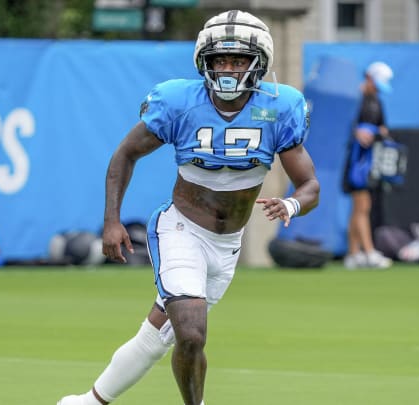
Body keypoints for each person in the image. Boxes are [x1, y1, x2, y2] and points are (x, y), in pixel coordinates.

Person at [57, 9, 320, 405]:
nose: (228, 68)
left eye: (237, 60)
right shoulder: (179, 101)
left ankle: (87, 402)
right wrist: (111, 221)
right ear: (204, 62)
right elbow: (125, 154)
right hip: (180, 228)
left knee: (157, 338)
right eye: (220, 60)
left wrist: (290, 204)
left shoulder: (279, 108)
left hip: (227, 243)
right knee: (192, 331)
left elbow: (310, 185)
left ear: (259, 62)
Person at [341, 61, 394, 269]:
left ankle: (353, 254)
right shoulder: (355, 99)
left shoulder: (377, 101)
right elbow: (344, 125)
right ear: (369, 78)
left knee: (360, 206)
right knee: (362, 205)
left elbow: (383, 126)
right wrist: (356, 132)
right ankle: (369, 252)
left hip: (369, 160)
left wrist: (378, 133)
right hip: (354, 161)